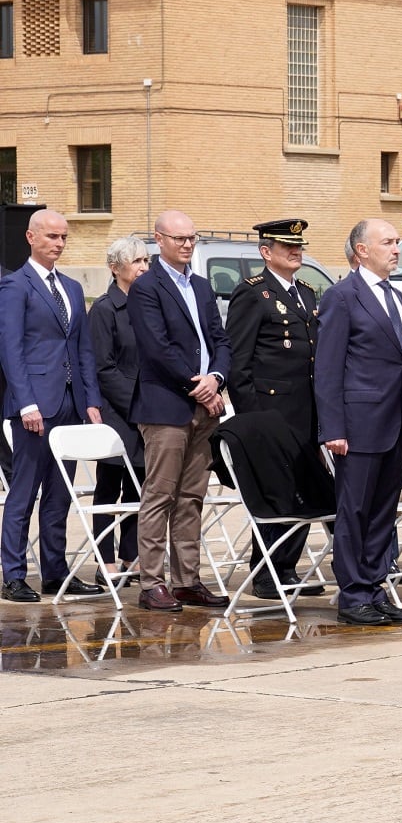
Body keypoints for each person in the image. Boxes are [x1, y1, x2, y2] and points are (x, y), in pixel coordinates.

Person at [315, 219, 402, 626]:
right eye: (388, 242)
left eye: (397, 242)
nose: (397, 249)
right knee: (354, 511)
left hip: (394, 424)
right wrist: (334, 429)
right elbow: (327, 368)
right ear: (361, 250)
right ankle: (353, 594)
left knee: (382, 512)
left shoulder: (396, 295)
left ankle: (376, 589)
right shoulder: (342, 297)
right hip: (357, 425)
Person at [128, 209, 232, 611]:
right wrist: (200, 388)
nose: (187, 244)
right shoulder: (146, 288)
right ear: (159, 240)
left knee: (192, 496)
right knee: (160, 495)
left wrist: (218, 377)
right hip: (166, 407)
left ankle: (186, 580)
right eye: (179, 238)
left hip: (205, 406)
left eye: (192, 238)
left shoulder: (203, 287)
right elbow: (157, 349)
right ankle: (151, 582)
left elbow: (220, 339)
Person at [0, 210, 105, 603]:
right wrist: (25, 402)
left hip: (70, 403)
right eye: (51, 237)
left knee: (60, 494)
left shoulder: (73, 289)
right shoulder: (15, 286)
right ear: (30, 237)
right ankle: (13, 575)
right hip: (34, 407)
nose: (58, 244)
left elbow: (83, 350)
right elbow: (10, 350)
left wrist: (91, 400)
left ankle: (55, 572)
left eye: (63, 237)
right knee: (24, 492)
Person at [225, 218, 325, 599]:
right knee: (275, 492)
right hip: (271, 411)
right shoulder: (253, 293)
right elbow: (239, 361)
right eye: (287, 247)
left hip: (305, 410)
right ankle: (266, 572)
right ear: (266, 252)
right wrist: (254, 418)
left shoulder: (306, 293)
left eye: (298, 246)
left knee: (301, 490)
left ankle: (287, 566)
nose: (296, 251)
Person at [88, 236, 150, 585]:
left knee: (139, 488)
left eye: (146, 261)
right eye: (137, 261)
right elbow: (104, 367)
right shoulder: (105, 309)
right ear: (116, 268)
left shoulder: (147, 304)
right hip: (118, 413)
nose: (143, 267)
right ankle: (105, 560)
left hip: (147, 412)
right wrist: (138, 402)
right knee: (109, 488)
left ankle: (131, 555)